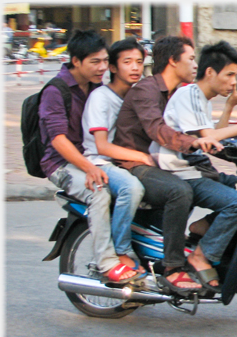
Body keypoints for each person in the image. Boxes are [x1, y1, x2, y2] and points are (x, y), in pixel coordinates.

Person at [149, 40, 237, 291]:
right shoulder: (188, 94)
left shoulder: (201, 98)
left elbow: (212, 135)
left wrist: (230, 107)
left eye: (236, 75)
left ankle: (201, 228)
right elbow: (211, 137)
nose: (234, 82)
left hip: (195, 168)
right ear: (210, 73)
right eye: (230, 75)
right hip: (178, 171)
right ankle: (200, 256)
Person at [113, 36, 222, 294]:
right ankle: (173, 268)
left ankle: (196, 244)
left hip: (164, 162)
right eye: (191, 58)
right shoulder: (146, 90)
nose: (196, 64)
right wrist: (192, 143)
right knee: (179, 191)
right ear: (173, 61)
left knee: (221, 184)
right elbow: (157, 130)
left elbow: (203, 127)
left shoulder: (180, 94)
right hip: (135, 163)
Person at [38, 29, 143, 284]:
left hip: (90, 157)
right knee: (98, 191)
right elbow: (58, 139)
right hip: (61, 164)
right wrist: (89, 167)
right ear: (76, 61)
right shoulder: (56, 90)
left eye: (105, 61)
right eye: (95, 62)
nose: (102, 67)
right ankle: (108, 262)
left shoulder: (95, 86)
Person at [82, 36, 154, 275]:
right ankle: (121, 250)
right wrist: (140, 156)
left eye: (139, 62)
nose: (135, 67)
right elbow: (101, 146)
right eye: (127, 62)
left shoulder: (135, 96)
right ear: (113, 67)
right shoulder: (101, 97)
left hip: (125, 161)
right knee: (131, 188)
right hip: (101, 161)